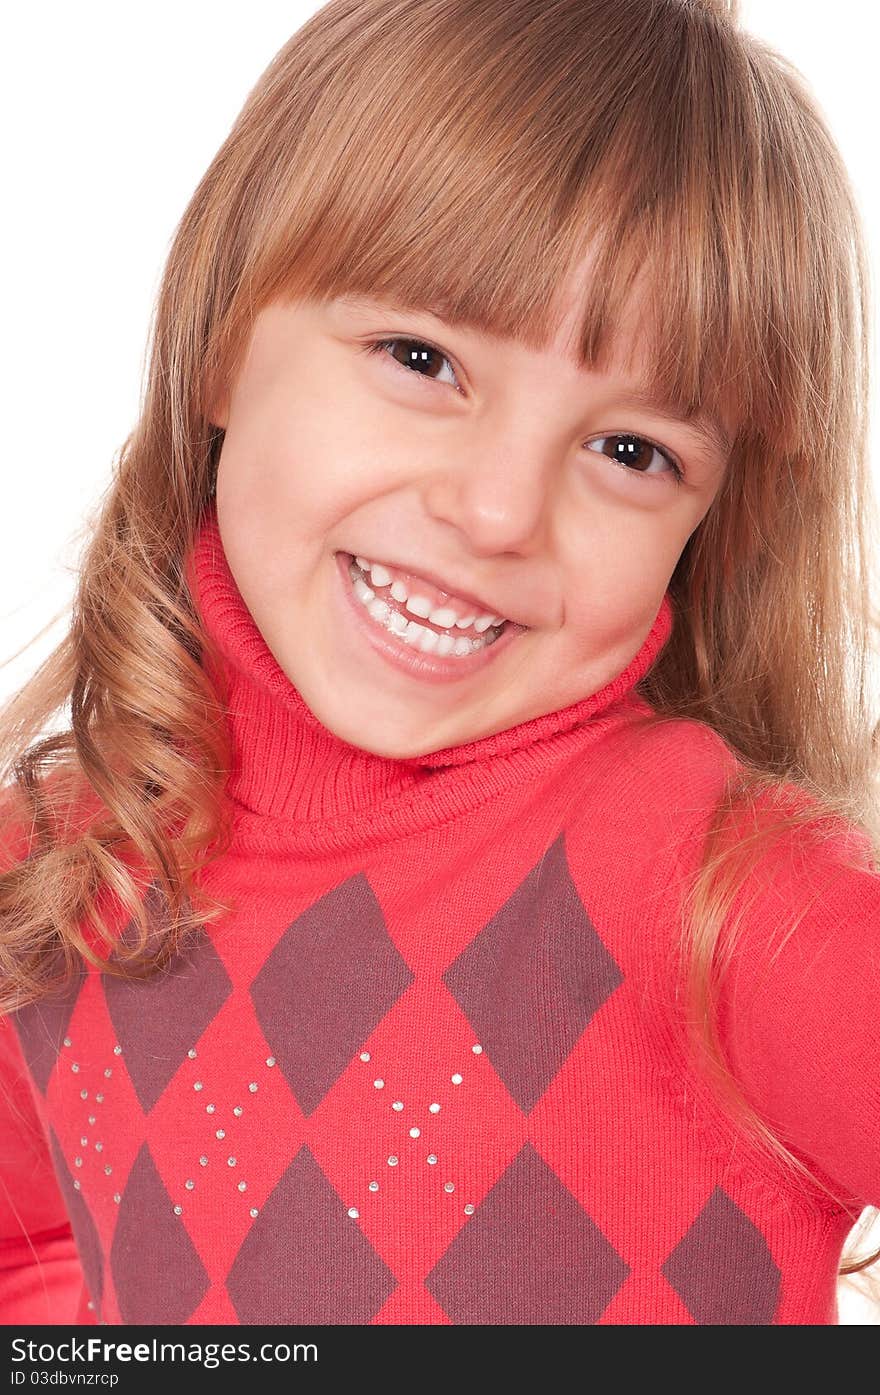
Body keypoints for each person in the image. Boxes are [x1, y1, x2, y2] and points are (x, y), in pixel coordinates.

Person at [1, 0, 878, 1327]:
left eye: (629, 450)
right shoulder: (58, 869)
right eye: (424, 360)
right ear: (227, 336)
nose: (499, 512)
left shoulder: (727, 901)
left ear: (711, 525)